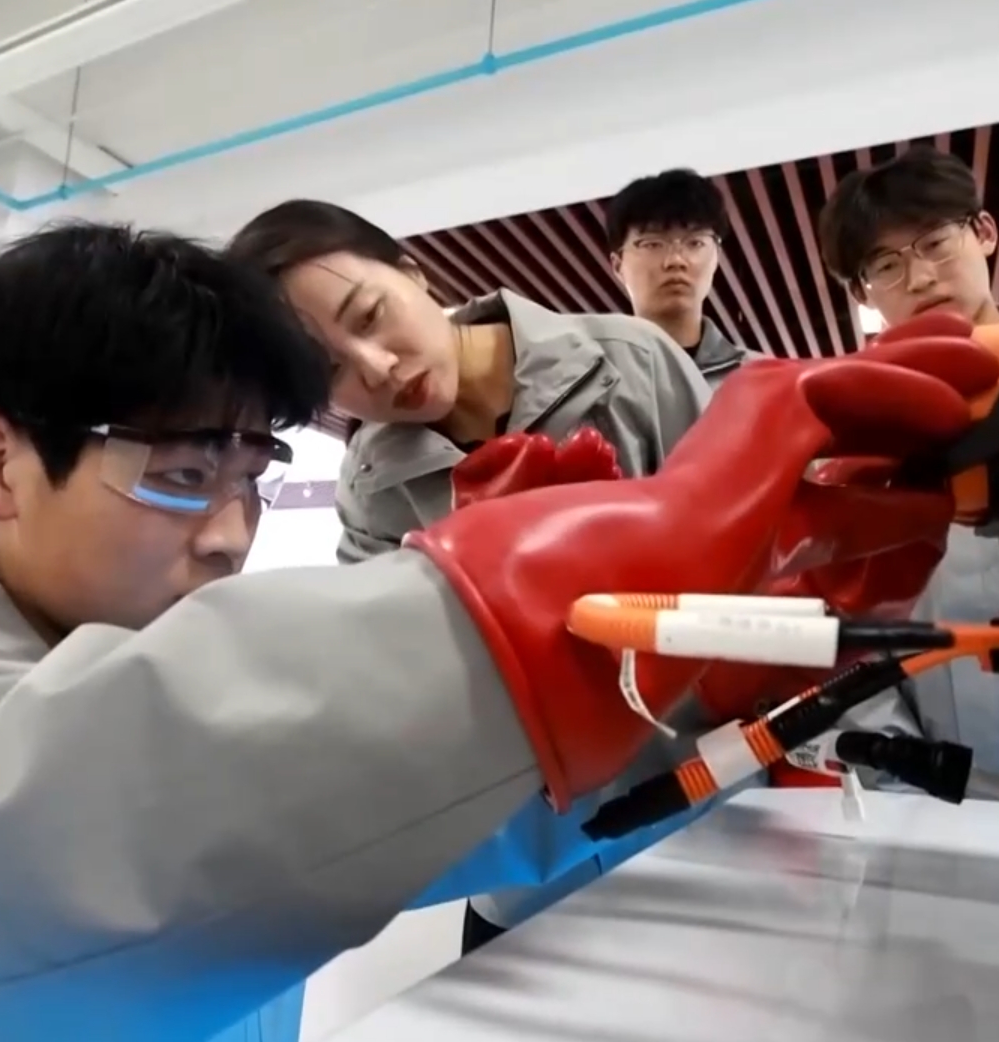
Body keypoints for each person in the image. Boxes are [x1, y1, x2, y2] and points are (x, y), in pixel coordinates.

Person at [0, 220, 999, 1042]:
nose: (226, 531)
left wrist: (683, 681)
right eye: (176, 471)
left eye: (249, 474)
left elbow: (459, 835)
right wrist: (497, 619)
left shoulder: (219, 667)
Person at [225, 198, 722, 955]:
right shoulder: (372, 482)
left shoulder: (631, 362)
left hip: (696, 804)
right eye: (331, 371)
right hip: (527, 855)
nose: (379, 368)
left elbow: (744, 557)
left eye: (370, 315)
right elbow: (394, 671)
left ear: (413, 272)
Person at [817, 145, 999, 791]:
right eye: (885, 265)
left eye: (936, 243)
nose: (919, 278)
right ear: (862, 292)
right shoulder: (861, 441)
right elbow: (843, 630)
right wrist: (904, 777)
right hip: (946, 798)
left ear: (984, 232)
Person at [604, 168, 763, 388]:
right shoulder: (589, 382)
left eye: (695, 242)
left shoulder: (761, 379)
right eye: (652, 244)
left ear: (716, 257)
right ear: (618, 265)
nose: (676, 260)